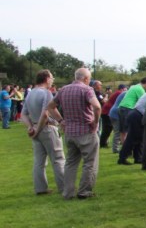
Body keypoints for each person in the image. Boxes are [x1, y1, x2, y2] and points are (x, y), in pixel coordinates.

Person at [46, 67, 102, 200]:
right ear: (86, 78)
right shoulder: (87, 90)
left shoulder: (63, 90)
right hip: (86, 131)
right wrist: (95, 122)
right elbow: (97, 106)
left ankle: (68, 192)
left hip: (70, 132)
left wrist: (61, 121)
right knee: (90, 162)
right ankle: (84, 191)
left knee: (70, 163)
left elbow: (50, 106)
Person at [19, 69, 65, 195]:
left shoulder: (30, 93)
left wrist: (31, 128)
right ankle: (64, 187)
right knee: (58, 159)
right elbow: (45, 114)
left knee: (39, 162)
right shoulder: (46, 93)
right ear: (46, 79)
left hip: (35, 128)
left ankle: (40, 188)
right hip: (47, 129)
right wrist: (38, 129)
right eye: (52, 78)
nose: (52, 80)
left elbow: (23, 114)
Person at [118, 77, 146, 145]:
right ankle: (127, 146)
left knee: (123, 129)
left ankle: (124, 145)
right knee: (129, 130)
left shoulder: (134, 87)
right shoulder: (140, 89)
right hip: (128, 108)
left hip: (122, 107)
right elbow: (143, 102)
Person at [99, 83, 125, 148]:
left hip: (107, 111)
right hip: (107, 112)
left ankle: (103, 143)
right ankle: (102, 143)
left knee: (108, 128)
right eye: (125, 89)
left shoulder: (117, 92)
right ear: (122, 89)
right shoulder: (119, 93)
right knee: (107, 129)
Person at [108, 86, 127, 153]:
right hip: (116, 114)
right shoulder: (126, 94)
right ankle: (115, 149)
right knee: (118, 132)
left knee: (118, 132)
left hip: (113, 113)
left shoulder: (124, 93)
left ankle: (117, 147)